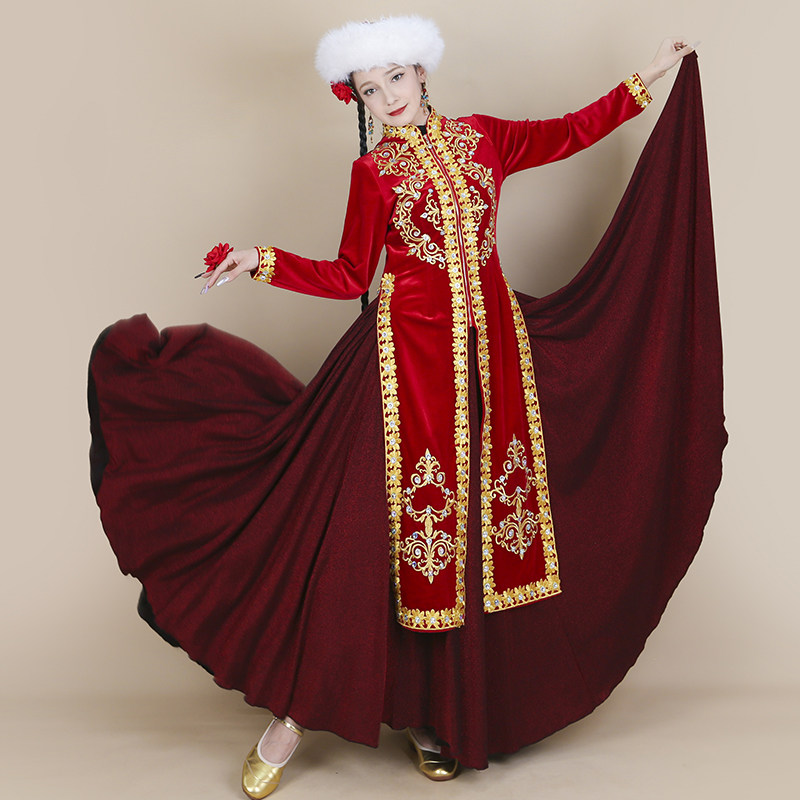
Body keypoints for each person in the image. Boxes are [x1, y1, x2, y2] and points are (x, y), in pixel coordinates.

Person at [88, 15, 724, 800]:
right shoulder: (374, 175)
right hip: (397, 374)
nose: (388, 96)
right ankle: (290, 719)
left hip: (490, 369)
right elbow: (349, 275)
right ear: (357, 99)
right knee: (360, 549)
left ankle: (431, 712)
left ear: (422, 72)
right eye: (369, 88)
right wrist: (260, 261)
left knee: (463, 548)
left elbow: (570, 132)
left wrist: (649, 74)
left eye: (396, 77)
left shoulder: (485, 138)